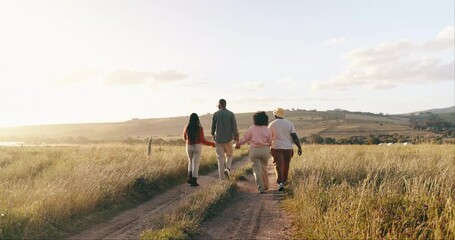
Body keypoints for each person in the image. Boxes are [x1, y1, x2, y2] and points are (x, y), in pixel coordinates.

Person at [235, 111, 272, 193]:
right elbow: (270, 142)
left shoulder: (252, 128)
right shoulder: (268, 129)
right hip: (265, 150)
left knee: (257, 169)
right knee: (264, 168)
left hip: (254, 150)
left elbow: (245, 138)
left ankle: (260, 188)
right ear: (265, 119)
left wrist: (238, 144)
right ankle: (266, 186)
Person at [268, 108, 302, 191]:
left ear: (275, 115)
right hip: (288, 148)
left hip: (276, 147)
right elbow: (294, 136)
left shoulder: (271, 124)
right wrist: (299, 147)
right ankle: (284, 181)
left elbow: (268, 137)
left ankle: (280, 182)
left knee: (278, 165)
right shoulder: (289, 123)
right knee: (286, 164)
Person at [183, 113, 216, 186]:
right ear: (197, 119)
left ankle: (189, 178)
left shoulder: (186, 127)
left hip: (188, 146)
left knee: (190, 162)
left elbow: (184, 138)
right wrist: (212, 144)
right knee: (196, 163)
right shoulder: (199, 128)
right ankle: (194, 181)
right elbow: (202, 140)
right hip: (197, 146)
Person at [211, 99, 239, 179]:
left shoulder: (215, 114)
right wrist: (236, 138)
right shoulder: (230, 114)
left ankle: (221, 179)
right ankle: (227, 168)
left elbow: (212, 128)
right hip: (228, 139)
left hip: (218, 140)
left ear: (219, 105)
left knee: (220, 159)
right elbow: (234, 127)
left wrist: (213, 137)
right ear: (225, 104)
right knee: (229, 155)